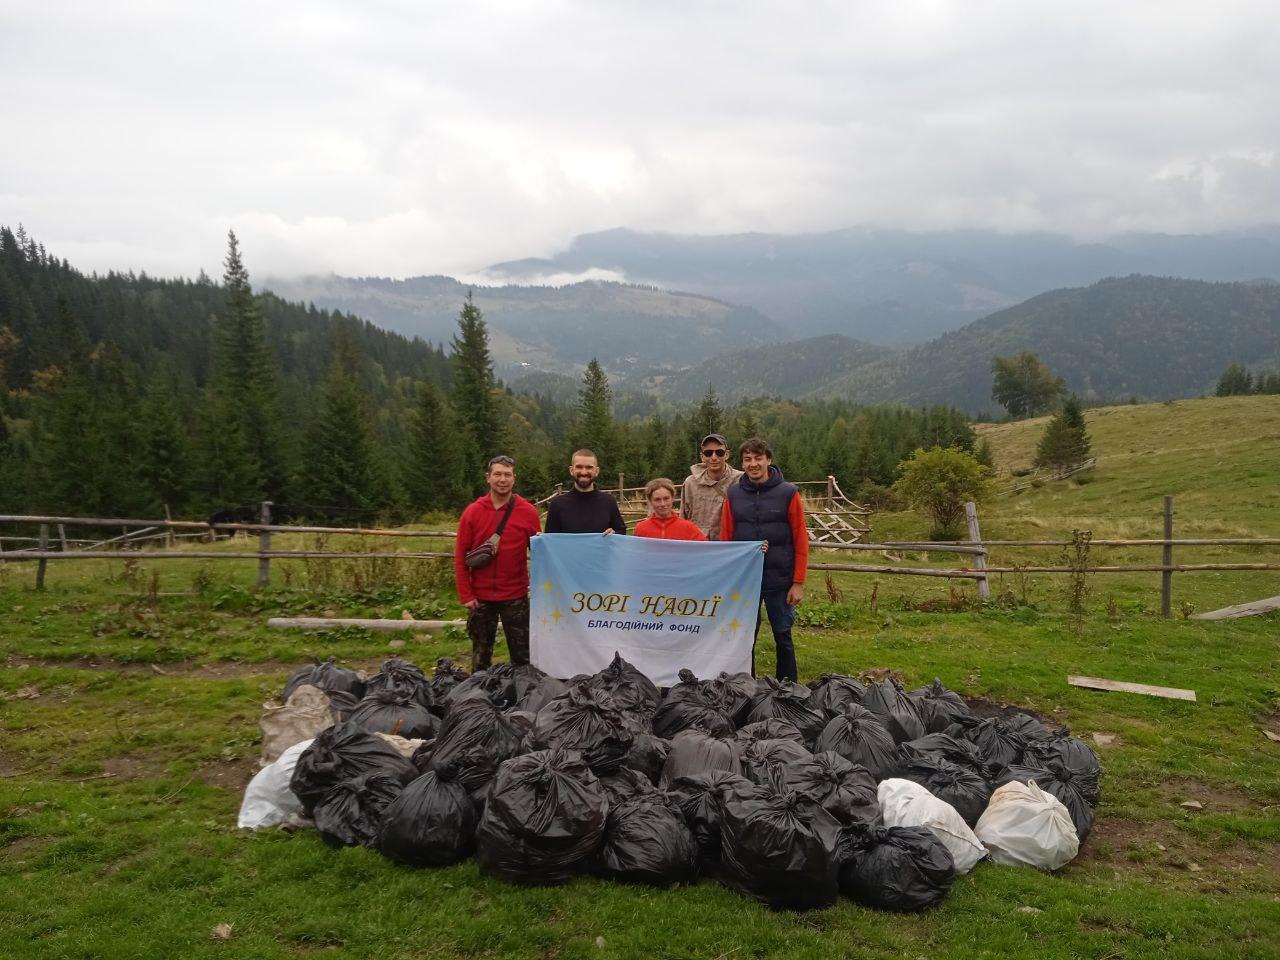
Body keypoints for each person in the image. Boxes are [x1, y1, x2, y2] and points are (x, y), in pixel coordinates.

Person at [720, 437, 808, 682]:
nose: (753, 464)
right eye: (747, 459)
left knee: (783, 635)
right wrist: (729, 578)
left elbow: (800, 538)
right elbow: (726, 537)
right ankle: (746, 685)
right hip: (746, 582)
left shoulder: (788, 493)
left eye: (758, 458)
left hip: (780, 579)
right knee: (746, 637)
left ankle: (788, 687)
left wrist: (798, 582)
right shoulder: (734, 494)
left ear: (768, 460)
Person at [453, 455, 541, 670]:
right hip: (480, 598)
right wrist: (466, 594)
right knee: (481, 656)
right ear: (488, 478)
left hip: (516, 595)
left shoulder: (528, 512)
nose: (503, 479)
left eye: (507, 474)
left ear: (514, 478)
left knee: (523, 656)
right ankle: (478, 698)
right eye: (498, 474)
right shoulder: (472, 513)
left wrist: (540, 589)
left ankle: (523, 696)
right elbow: (460, 556)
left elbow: (539, 553)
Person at [544, 448, 627, 534]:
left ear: (596, 471)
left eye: (589, 467)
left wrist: (614, 533)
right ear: (571, 470)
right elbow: (550, 541)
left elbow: (621, 532)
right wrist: (541, 539)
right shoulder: (557, 504)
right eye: (579, 467)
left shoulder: (609, 501)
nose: (584, 472)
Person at [681, 432, 743, 540]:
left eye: (719, 452)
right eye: (708, 453)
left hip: (730, 546)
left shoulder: (741, 480)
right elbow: (683, 518)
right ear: (702, 456)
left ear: (727, 455)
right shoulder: (690, 483)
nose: (714, 457)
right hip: (698, 546)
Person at [634, 478, 707, 540]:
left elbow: (706, 549)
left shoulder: (688, 527)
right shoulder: (641, 528)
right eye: (657, 499)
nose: (662, 504)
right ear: (650, 501)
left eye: (666, 498)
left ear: (673, 498)